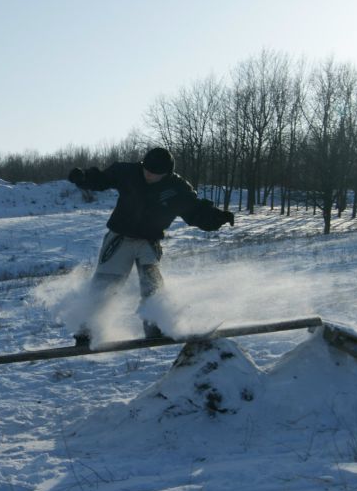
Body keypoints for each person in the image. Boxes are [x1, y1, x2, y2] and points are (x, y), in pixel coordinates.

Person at [67, 147, 234, 346]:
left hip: (149, 242)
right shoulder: (128, 172)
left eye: (154, 173)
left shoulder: (177, 189)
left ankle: (154, 325)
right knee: (105, 284)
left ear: (166, 174)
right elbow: (102, 179)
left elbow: (195, 211)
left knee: (152, 285)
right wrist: (83, 177)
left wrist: (217, 217)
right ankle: (86, 330)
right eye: (146, 169)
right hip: (120, 239)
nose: (148, 174)